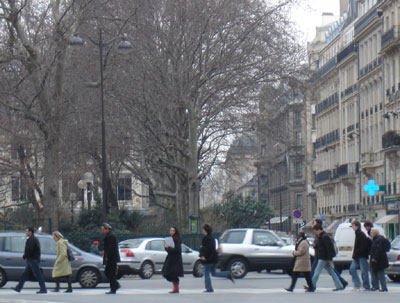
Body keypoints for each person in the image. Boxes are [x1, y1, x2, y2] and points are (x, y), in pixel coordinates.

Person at [308, 219, 347, 290]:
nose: (315, 233)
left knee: (317, 272)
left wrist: (330, 258)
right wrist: (315, 246)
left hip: (323, 258)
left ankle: (312, 286)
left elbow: (329, 248)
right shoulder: (321, 236)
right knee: (332, 272)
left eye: (315, 231)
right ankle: (339, 285)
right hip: (323, 257)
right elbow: (322, 247)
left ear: (319, 230)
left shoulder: (324, 237)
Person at [200, 224, 234, 293]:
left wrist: (203, 254)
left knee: (206, 274)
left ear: (205, 231)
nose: (202, 231)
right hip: (214, 258)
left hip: (208, 259)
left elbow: (206, 249)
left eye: (203, 230)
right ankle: (227, 274)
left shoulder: (206, 238)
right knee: (214, 273)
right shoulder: (212, 238)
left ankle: (209, 288)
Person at [13, 227, 47, 294]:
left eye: (27, 231)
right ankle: (18, 287)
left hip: (33, 259)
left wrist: (25, 255)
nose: (26, 232)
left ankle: (43, 288)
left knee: (38, 274)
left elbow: (30, 250)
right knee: (25, 274)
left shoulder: (32, 240)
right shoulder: (32, 239)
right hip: (32, 259)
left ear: (30, 232)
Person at [349, 220, 371, 290]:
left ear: (357, 226)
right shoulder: (357, 234)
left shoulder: (361, 234)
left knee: (364, 271)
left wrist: (357, 252)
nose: (352, 227)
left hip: (362, 256)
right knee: (352, 268)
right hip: (357, 256)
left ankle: (366, 286)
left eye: (353, 226)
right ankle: (357, 283)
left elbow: (363, 246)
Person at [162, 226, 184, 293]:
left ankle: (176, 287)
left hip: (175, 260)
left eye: (173, 230)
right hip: (171, 259)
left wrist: (168, 247)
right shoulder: (171, 239)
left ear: (175, 232)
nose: (171, 232)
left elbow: (177, 250)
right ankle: (176, 287)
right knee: (168, 273)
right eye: (170, 230)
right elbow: (169, 250)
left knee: (171, 274)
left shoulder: (176, 239)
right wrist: (166, 247)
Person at [102, 223, 121, 294]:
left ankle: (114, 287)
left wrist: (107, 256)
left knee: (110, 273)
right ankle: (114, 286)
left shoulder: (111, 236)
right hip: (111, 258)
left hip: (111, 258)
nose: (102, 231)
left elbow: (111, 248)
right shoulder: (109, 236)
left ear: (107, 229)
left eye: (103, 229)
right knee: (109, 272)